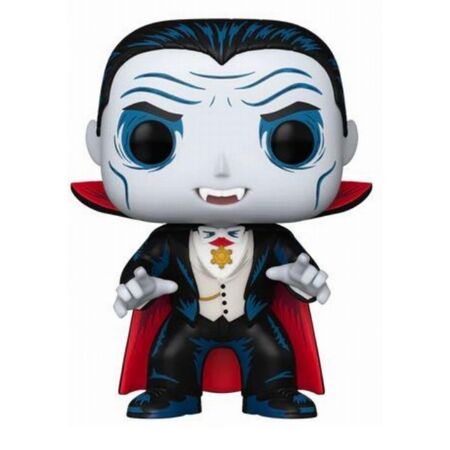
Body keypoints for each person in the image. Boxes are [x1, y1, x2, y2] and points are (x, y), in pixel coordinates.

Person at [72, 19, 371, 419]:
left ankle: (272, 392)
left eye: (292, 140)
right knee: (170, 356)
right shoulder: (168, 241)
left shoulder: (275, 240)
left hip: (253, 320)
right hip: (189, 321)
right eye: (152, 140)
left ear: (345, 143)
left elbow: (300, 273)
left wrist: (304, 283)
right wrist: (138, 286)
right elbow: (142, 269)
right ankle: (170, 392)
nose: (221, 170)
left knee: (274, 355)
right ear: (97, 144)